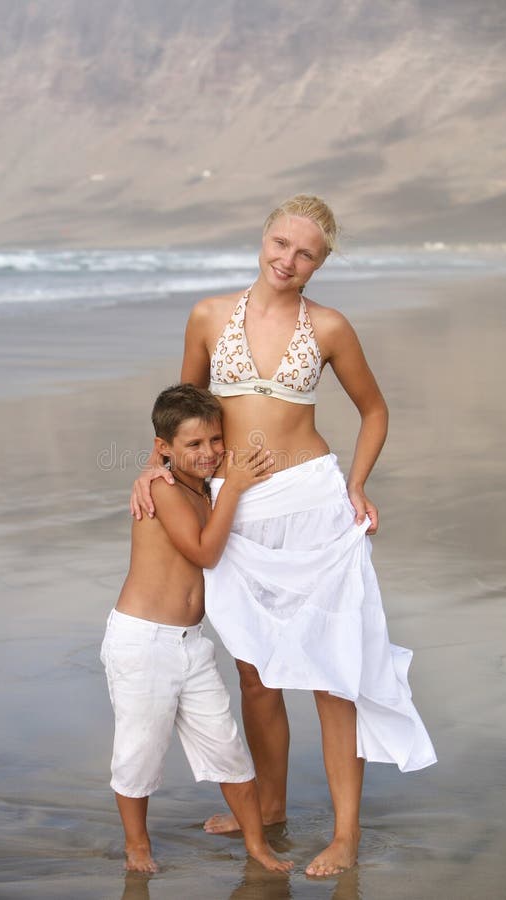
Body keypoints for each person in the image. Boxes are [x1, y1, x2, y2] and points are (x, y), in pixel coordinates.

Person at [130, 194, 437, 877]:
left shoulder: (328, 327)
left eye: (305, 254)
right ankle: (269, 808)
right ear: (262, 238)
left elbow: (374, 410)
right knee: (256, 671)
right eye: (279, 244)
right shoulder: (208, 316)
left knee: (335, 675)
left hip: (315, 507)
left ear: (321, 262)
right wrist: (150, 470)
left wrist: (356, 483)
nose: (287, 261)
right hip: (237, 513)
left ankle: (346, 834)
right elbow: (182, 413)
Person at [100, 384, 293, 875]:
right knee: (139, 749)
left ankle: (257, 846)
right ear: (163, 448)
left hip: (191, 644)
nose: (208, 453)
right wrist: (235, 489)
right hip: (143, 641)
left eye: (214, 441)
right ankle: (137, 844)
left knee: (228, 746)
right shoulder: (162, 489)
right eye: (193, 445)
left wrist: (228, 486)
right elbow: (205, 552)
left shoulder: (203, 487)